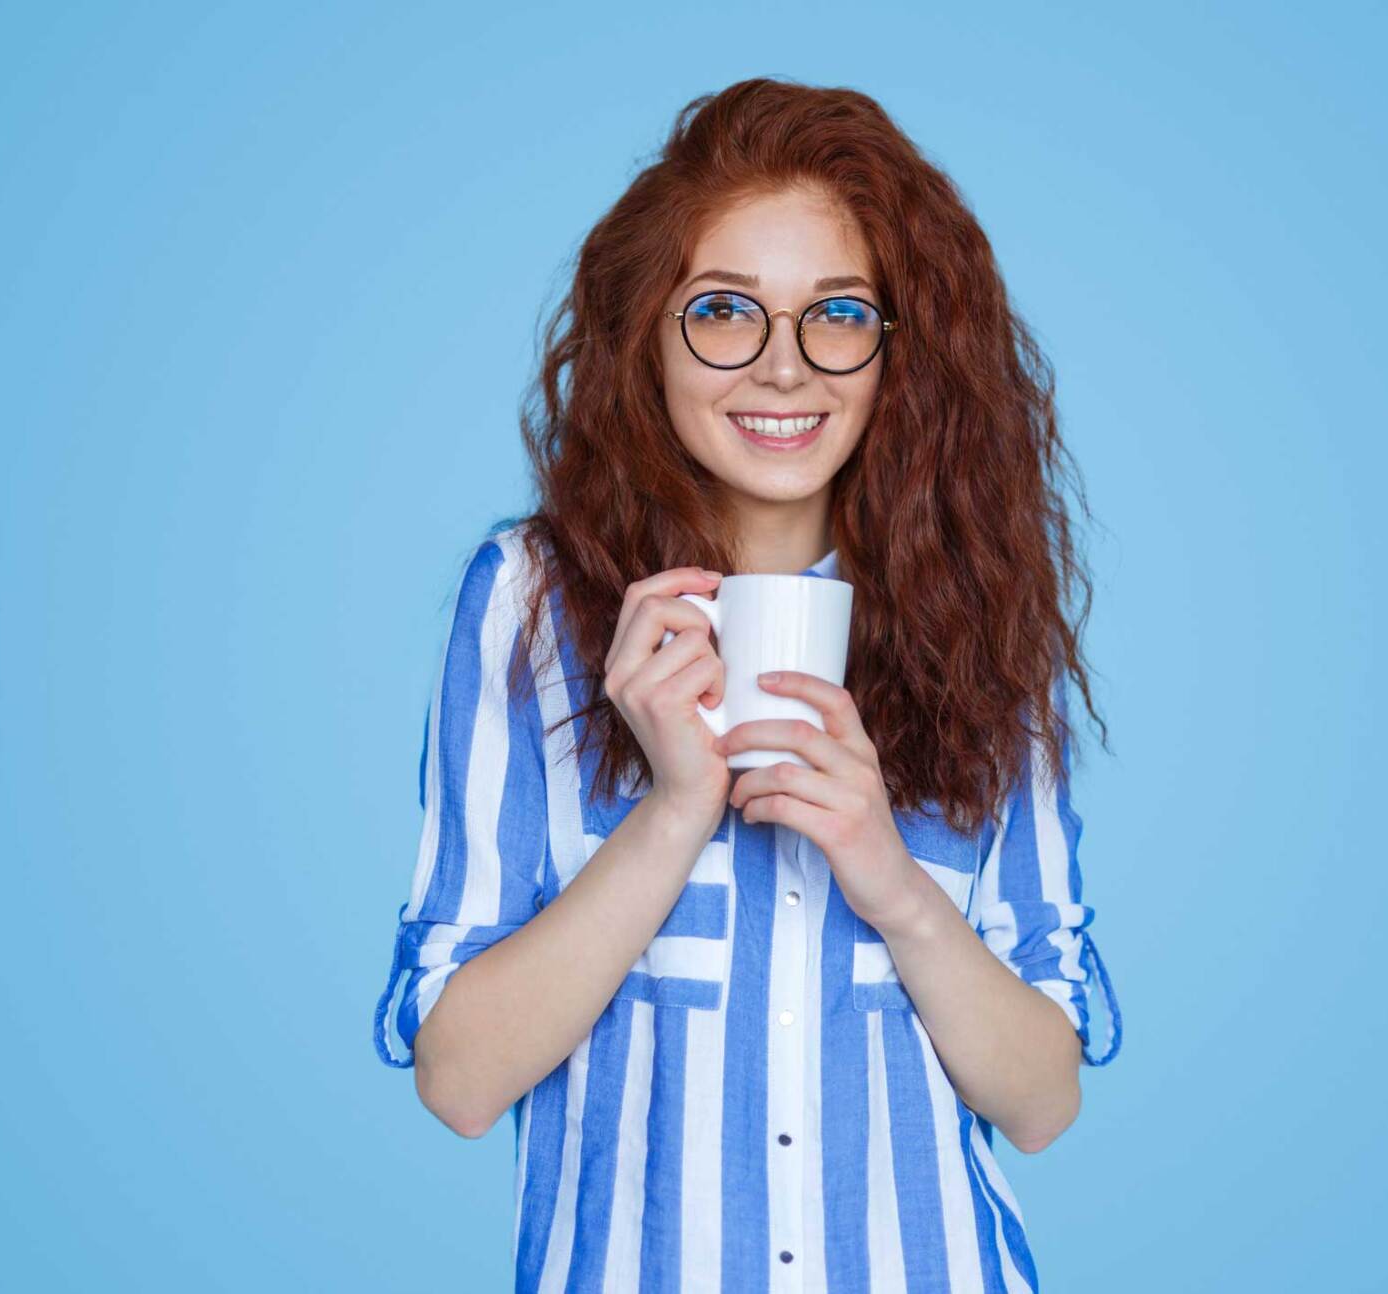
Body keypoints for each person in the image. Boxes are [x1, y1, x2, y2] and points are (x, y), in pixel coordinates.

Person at [371, 76, 1123, 1293]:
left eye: (836, 314)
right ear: (646, 338)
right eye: (724, 311)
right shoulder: (532, 605)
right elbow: (459, 1080)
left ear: (895, 353)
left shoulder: (980, 615)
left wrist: (892, 879)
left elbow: (1041, 1102)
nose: (784, 369)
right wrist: (673, 811)